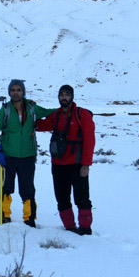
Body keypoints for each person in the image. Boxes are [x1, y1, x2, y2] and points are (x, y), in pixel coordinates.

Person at [0, 79, 55, 227]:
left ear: (23, 92)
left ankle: (29, 218)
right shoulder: (5, 110)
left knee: (28, 189)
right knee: (6, 188)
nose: (16, 92)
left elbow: (49, 113)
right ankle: (4, 216)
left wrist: (67, 110)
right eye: (13, 90)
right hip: (8, 157)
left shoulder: (32, 108)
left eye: (18, 90)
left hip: (27, 156)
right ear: (9, 92)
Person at [36, 84, 96, 235]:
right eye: (61, 95)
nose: (64, 97)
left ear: (72, 97)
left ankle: (85, 228)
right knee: (62, 198)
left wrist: (86, 165)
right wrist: (29, 110)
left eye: (67, 95)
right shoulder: (56, 115)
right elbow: (41, 125)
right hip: (58, 164)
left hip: (77, 164)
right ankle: (69, 228)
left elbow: (90, 141)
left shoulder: (82, 114)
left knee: (81, 198)